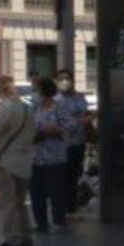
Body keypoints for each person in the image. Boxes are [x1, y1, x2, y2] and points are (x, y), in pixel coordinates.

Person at [0, 74, 34, 246]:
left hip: (5, 162)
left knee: (7, 203)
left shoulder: (6, 108)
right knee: (20, 202)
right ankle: (26, 236)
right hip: (24, 160)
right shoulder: (28, 109)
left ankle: (12, 240)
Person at [28, 76, 75, 234]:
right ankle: (41, 223)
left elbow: (69, 126)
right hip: (36, 157)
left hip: (55, 157)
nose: (34, 92)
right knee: (37, 193)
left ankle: (59, 220)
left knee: (57, 192)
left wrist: (56, 130)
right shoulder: (34, 108)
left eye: (36, 89)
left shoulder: (59, 106)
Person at [55, 69, 90, 218]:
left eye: (67, 78)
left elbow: (85, 114)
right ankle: (64, 208)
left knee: (75, 174)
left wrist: (85, 120)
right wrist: (80, 120)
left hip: (79, 142)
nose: (65, 81)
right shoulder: (55, 99)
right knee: (63, 177)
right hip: (62, 144)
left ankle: (71, 206)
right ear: (56, 81)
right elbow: (63, 122)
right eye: (61, 78)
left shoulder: (80, 97)